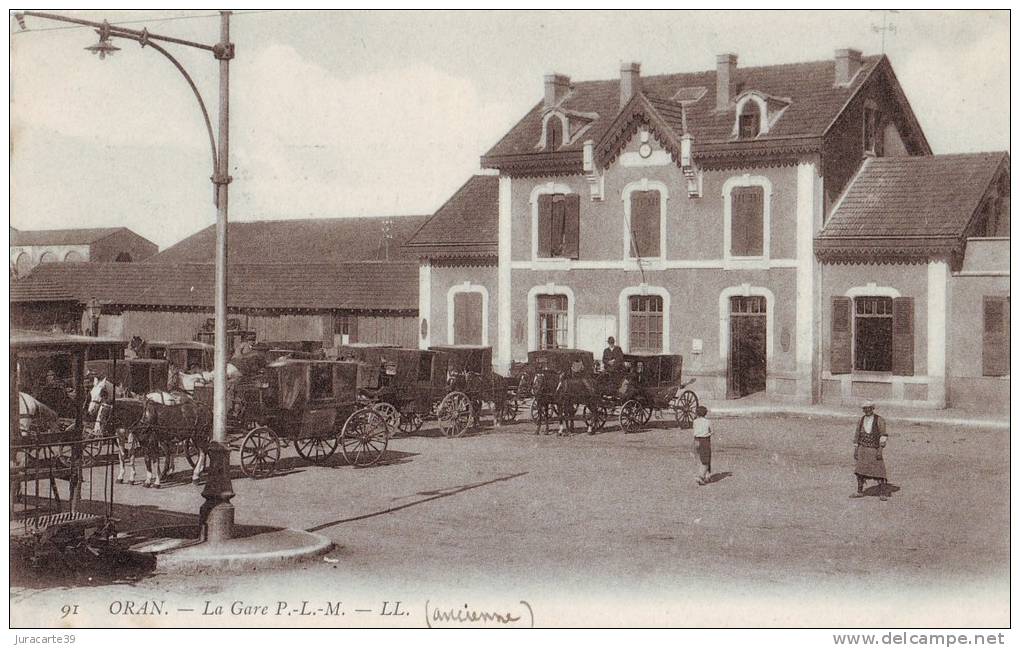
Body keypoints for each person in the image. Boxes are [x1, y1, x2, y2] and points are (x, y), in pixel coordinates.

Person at [850, 400, 890, 501]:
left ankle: (882, 493)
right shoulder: (861, 420)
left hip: (874, 449)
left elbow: (883, 435)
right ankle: (859, 491)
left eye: (869, 408)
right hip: (862, 448)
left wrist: (880, 450)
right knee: (860, 471)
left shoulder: (879, 420)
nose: (867, 410)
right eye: (865, 408)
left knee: (879, 471)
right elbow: (857, 434)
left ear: (872, 408)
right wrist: (856, 449)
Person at [692, 405, 712, 485]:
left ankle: (708, 476)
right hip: (705, 441)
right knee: (706, 460)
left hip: (696, 440)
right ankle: (701, 476)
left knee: (701, 458)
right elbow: (712, 431)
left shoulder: (695, 421)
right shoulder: (708, 422)